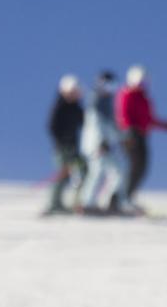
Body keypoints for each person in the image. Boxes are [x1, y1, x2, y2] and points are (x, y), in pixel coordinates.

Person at [115, 65, 167, 211]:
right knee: (133, 166)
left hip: (142, 135)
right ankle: (119, 198)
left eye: (144, 83)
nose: (142, 86)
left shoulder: (144, 98)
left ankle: (128, 196)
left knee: (142, 167)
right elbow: (123, 115)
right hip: (130, 136)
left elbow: (150, 120)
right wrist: (129, 131)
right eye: (140, 82)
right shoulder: (126, 94)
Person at [80, 70, 129, 214]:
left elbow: (112, 125)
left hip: (108, 145)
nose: (111, 88)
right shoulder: (95, 99)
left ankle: (111, 201)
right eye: (108, 84)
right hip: (97, 145)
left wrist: (122, 138)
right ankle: (87, 203)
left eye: (113, 84)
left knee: (119, 171)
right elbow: (95, 124)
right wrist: (100, 142)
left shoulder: (108, 101)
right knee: (97, 171)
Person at [45, 75, 86, 215]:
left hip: (73, 148)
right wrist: (61, 142)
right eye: (71, 91)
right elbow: (51, 127)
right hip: (62, 149)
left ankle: (77, 202)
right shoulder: (59, 106)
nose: (74, 94)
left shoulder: (76, 107)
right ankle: (53, 204)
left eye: (75, 91)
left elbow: (86, 122)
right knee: (63, 174)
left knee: (82, 171)